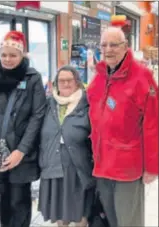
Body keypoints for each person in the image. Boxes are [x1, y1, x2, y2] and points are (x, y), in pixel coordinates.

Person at [0, 30, 46, 227]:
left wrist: (21, 151)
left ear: (22, 55)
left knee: (19, 201)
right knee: (4, 198)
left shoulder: (32, 79)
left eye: (13, 55)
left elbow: (37, 116)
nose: (7, 59)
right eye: (3, 54)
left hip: (21, 153)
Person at [87, 26, 158, 227]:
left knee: (129, 221)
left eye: (114, 45)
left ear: (126, 47)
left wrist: (152, 166)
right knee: (110, 218)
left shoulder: (141, 76)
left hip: (128, 165)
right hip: (101, 162)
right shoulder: (100, 75)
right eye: (104, 45)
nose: (108, 49)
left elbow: (153, 123)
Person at [38, 65, 95, 227]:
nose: (66, 84)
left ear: (77, 82)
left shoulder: (87, 104)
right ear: (56, 83)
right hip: (53, 164)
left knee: (80, 211)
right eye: (61, 81)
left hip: (79, 167)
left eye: (70, 80)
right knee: (60, 210)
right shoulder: (48, 104)